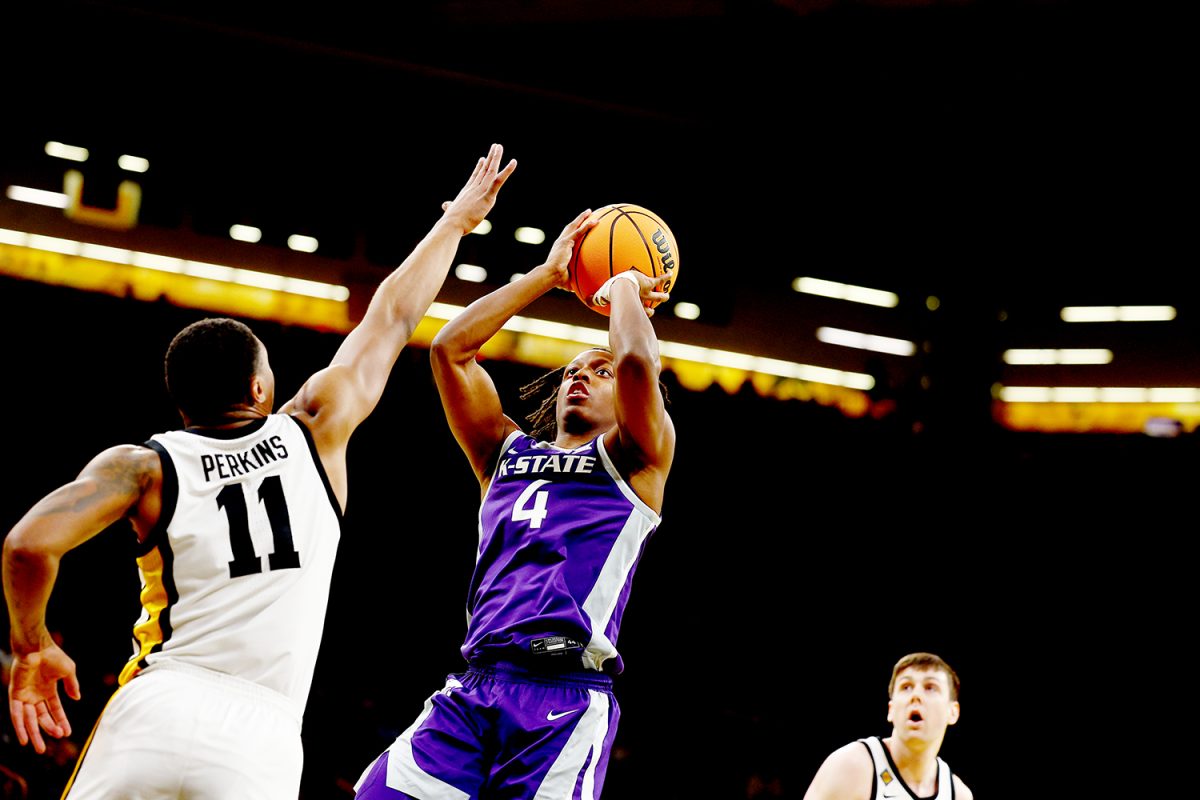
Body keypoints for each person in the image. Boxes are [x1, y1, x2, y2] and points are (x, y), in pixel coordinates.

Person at [2, 143, 517, 800]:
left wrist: (31, 645)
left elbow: (27, 544)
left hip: (156, 705)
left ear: (183, 403)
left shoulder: (143, 466)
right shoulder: (317, 427)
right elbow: (392, 313)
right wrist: (455, 224)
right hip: (261, 737)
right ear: (259, 388)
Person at [354, 209, 676, 799]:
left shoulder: (637, 462)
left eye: (597, 372)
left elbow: (635, 361)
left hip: (565, 696)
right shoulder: (501, 454)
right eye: (571, 371)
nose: (579, 377)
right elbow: (450, 349)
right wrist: (546, 275)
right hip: (475, 686)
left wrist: (624, 285)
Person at [803, 652, 973, 800]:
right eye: (906, 687)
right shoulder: (852, 766)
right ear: (891, 710)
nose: (916, 695)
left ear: (953, 712)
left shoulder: (958, 794)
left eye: (930, 687)